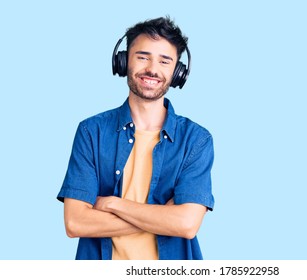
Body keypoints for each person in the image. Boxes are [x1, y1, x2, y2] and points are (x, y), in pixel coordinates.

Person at [57, 16, 214, 260]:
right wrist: (163, 217)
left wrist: (112, 204)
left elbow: (186, 224)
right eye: (142, 57)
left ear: (177, 72)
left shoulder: (196, 140)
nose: (152, 69)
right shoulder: (91, 132)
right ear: (123, 62)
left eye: (165, 61)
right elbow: (76, 223)